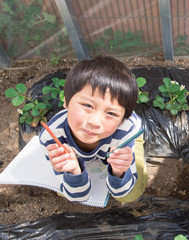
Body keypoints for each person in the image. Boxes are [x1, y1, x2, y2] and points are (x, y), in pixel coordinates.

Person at [39, 56, 147, 203]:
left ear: (122, 120)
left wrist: (119, 170)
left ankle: (136, 146)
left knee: (129, 195)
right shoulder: (51, 137)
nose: (95, 122)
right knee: (65, 192)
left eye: (111, 113)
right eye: (88, 106)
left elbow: (121, 190)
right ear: (66, 100)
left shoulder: (126, 131)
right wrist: (73, 171)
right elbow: (79, 197)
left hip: (122, 139)